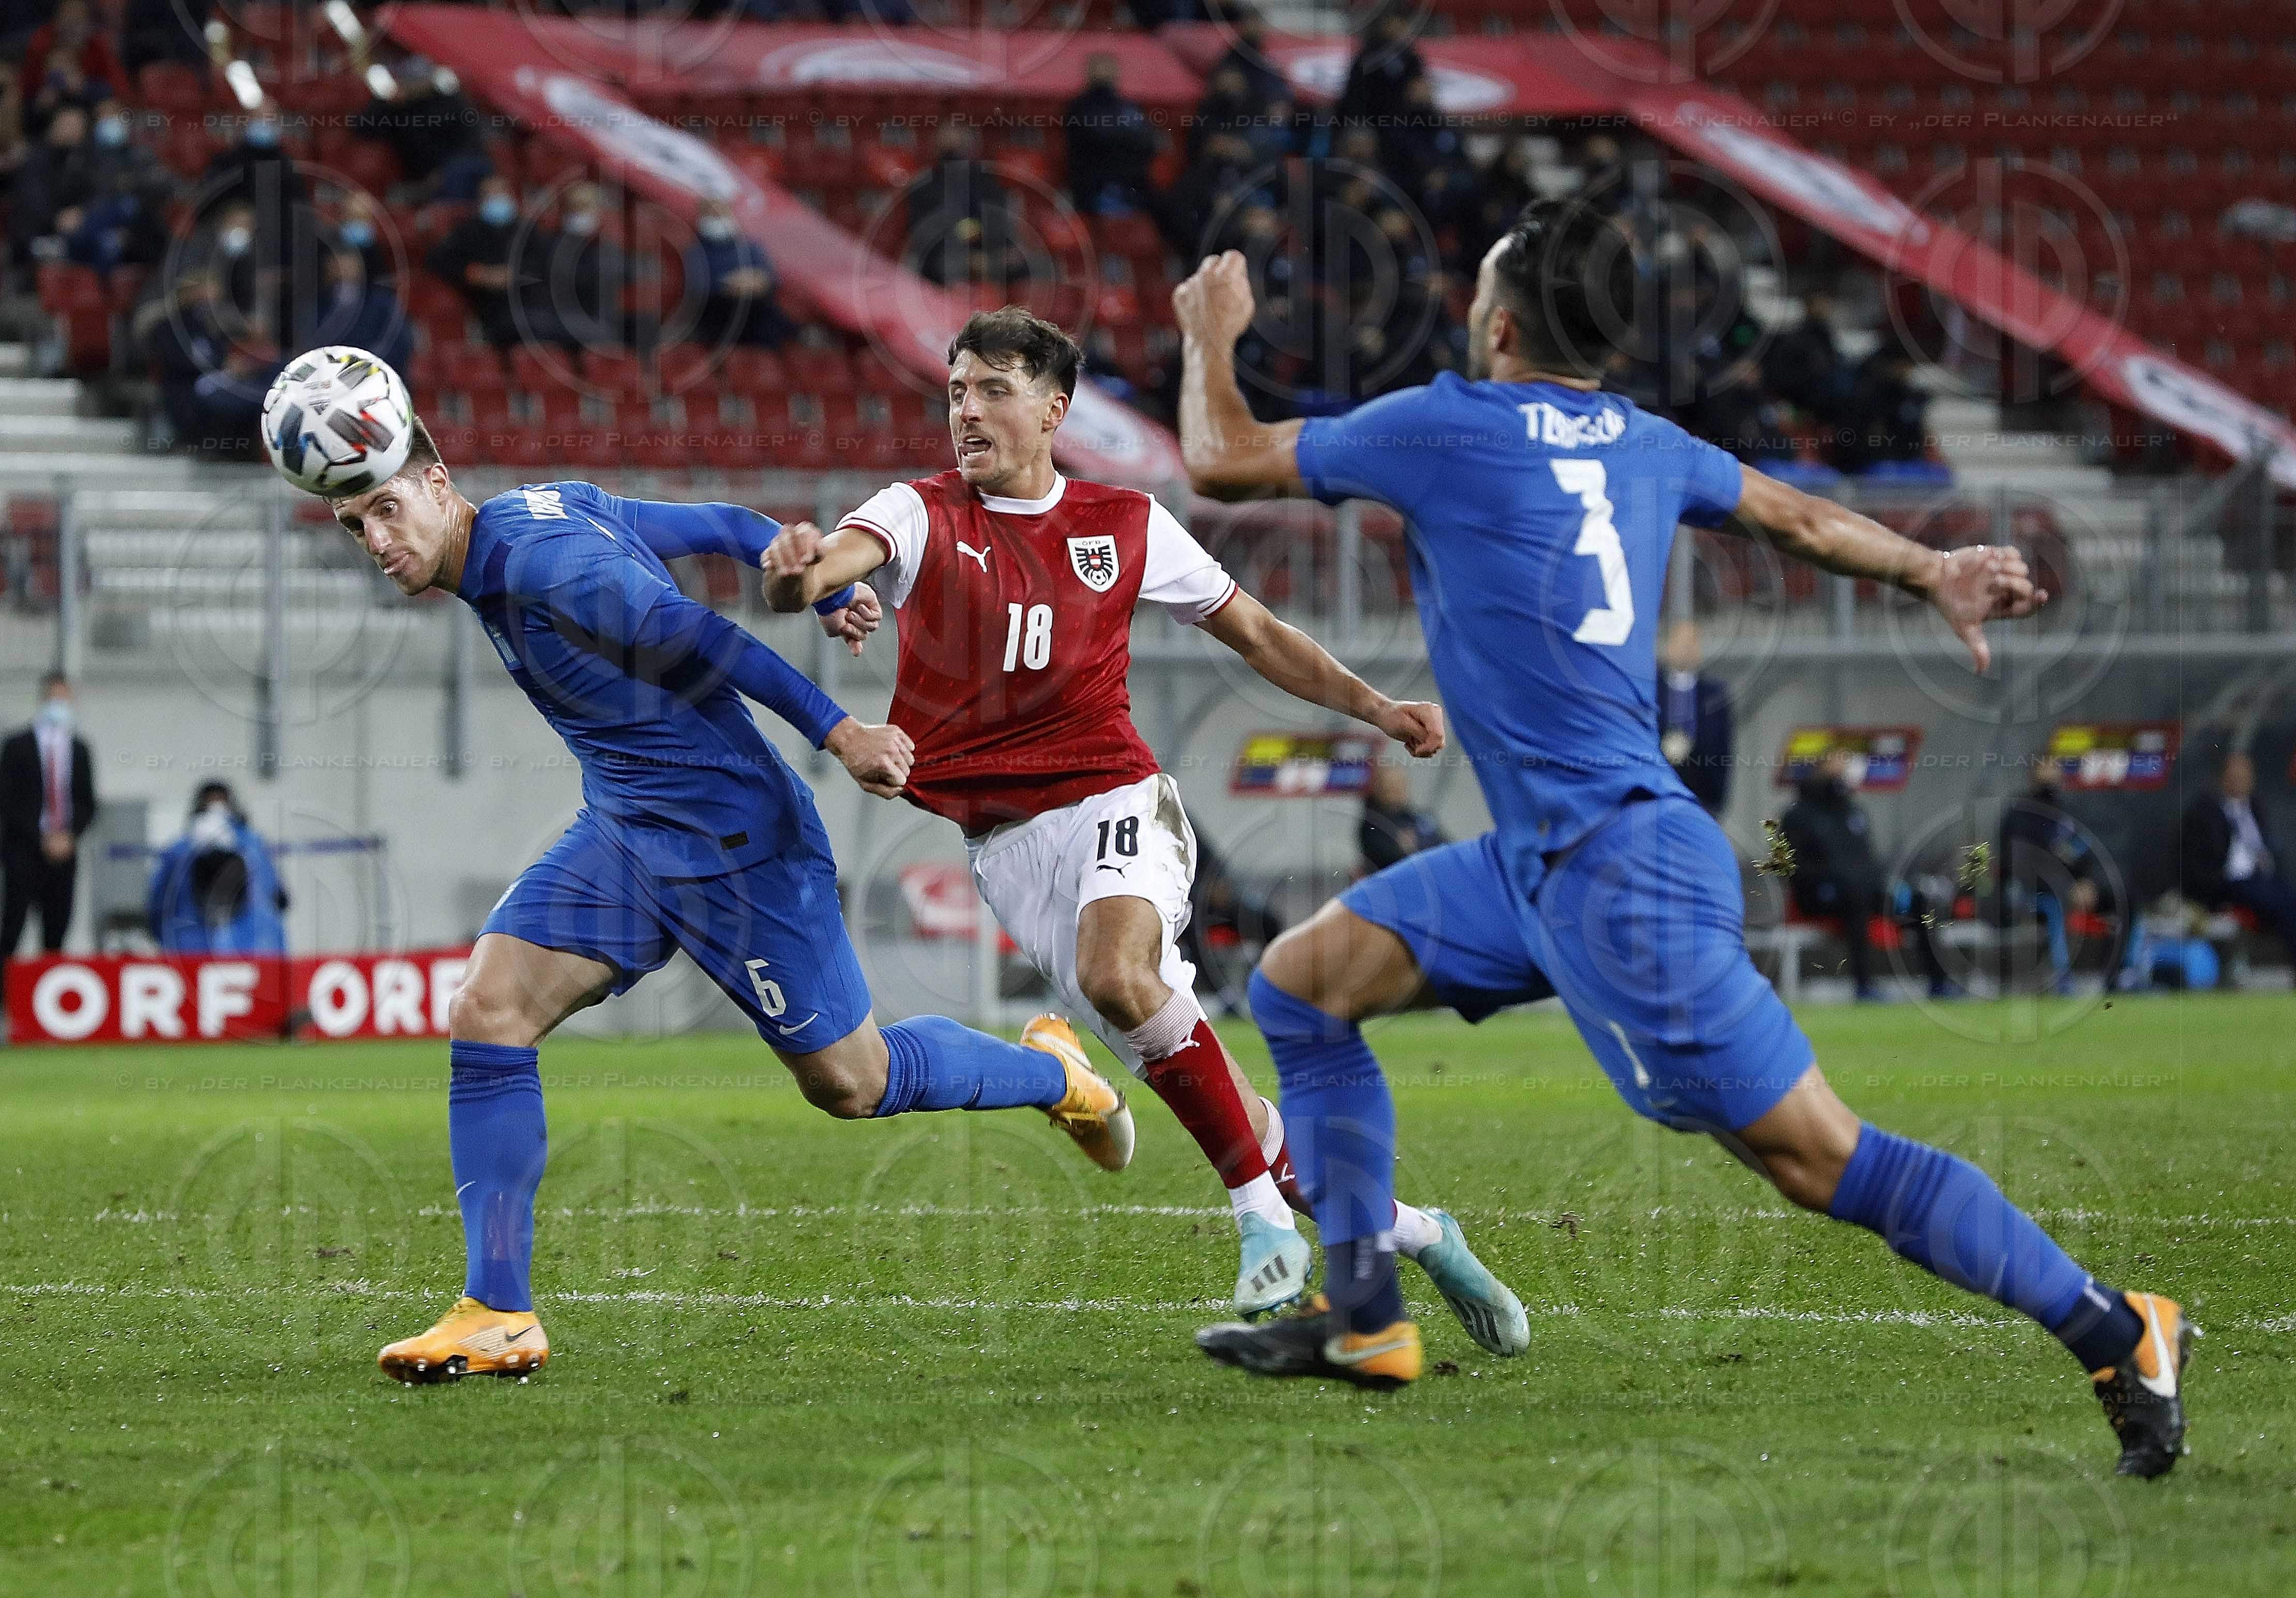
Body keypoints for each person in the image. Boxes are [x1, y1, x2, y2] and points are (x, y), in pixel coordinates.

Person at [1170, 201, 2194, 1483]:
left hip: (1618, 875)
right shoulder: (1644, 440)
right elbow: (1801, 521)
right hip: (1539, 860)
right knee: (1302, 985)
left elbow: (1220, 455)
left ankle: (2115, 1325)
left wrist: (1211, 335)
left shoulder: (1448, 422)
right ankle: (1367, 1313)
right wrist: (1928, 570)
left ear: (1495, 324)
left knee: (1819, 1158)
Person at [758, 307, 1521, 1337]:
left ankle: (1259, 1229)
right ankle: (1422, 1233)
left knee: (1121, 976)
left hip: (1118, 797)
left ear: (1054, 409)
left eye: (993, 390)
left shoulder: (1124, 524)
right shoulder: (920, 511)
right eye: (955, 393)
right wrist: (796, 577)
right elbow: (830, 563)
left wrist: (1377, 709)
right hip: (1010, 851)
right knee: (1238, 1114)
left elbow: (1255, 631)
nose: (967, 413)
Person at [322, 416, 1131, 1382]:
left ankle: (1060, 1078)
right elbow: (714, 520)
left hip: (737, 843)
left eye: (384, 507)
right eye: (352, 523)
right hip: (625, 833)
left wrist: (841, 733)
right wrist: (821, 581)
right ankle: (498, 1311)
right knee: (489, 1008)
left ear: (439, 481)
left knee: (853, 1083)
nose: (375, 540)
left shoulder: (542, 563)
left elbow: (698, 636)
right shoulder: (545, 507)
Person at [1781, 748, 1952, 1001]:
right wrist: (1837, 882)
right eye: (1836, 762)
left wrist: (1886, 885)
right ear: (1819, 768)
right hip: (1818, 897)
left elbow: (1867, 861)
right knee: (1856, 897)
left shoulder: (1853, 812)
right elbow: (1794, 869)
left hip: (1864, 891)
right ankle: (1864, 986)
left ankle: (1940, 984)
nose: (1844, 769)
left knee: (1920, 901)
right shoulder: (1797, 815)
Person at [0, 672, 98, 957]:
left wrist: (68, 836)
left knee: (57, 927)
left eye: (64, 698)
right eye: (54, 697)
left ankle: (47, 990)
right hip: (24, 849)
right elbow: (8, 800)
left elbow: (87, 802)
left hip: (64, 852)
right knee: (13, 926)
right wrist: (40, 836)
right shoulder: (17, 746)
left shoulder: (79, 749)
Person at [2000, 764, 2113, 995]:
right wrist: (2064, 885)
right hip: (2027, 889)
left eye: (2056, 768)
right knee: (2054, 904)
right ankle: (2062, 978)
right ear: (2034, 774)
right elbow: (2017, 861)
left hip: (2069, 887)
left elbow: (2082, 852)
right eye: (2046, 767)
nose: (2052, 774)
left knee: (2127, 898)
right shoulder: (2021, 812)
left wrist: (2085, 881)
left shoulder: (2065, 812)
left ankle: (2125, 973)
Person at [2180, 749, 2296, 967]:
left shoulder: (2255, 807)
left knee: (2287, 898)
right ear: (2223, 778)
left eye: (2244, 776)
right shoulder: (2205, 812)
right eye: (2234, 776)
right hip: (2227, 884)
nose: (2240, 781)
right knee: (2282, 903)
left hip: (2261, 880)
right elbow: (2196, 861)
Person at [426, 176, 570, 350]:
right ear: (481, 201)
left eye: (501, 194)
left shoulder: (527, 230)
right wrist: (477, 274)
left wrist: (516, 275)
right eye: (491, 195)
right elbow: (438, 261)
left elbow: (543, 264)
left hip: (533, 303)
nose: (497, 200)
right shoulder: (468, 232)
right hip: (492, 310)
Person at [147, 782, 286, 954]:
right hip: (204, 949)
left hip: (240, 948)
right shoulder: (253, 846)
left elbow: (157, 907)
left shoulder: (180, 850)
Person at [349, 58, 491, 202]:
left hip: (457, 168)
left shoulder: (450, 101)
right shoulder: (395, 108)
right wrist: (386, 101)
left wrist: (444, 173)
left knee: (468, 171)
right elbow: (361, 129)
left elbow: (471, 140)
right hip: (420, 178)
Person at [683, 199, 795, 349]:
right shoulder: (695, 252)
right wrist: (731, 285)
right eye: (712, 215)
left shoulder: (751, 247)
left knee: (772, 319)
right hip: (718, 314)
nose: (717, 219)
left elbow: (770, 278)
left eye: (721, 213)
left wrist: (757, 283)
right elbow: (698, 287)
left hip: (756, 310)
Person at [1654, 618, 1732, 814]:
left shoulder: (1715, 694)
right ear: (1669, 647)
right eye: (1681, 643)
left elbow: (1724, 747)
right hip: (1657, 792)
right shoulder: (1650, 689)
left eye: (1693, 644)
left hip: (1702, 796)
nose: (1687, 650)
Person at [1358, 760, 1444, 876]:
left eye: (1401, 784)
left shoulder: (1414, 817)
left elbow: (1442, 842)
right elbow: (1389, 856)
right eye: (1392, 786)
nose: (1399, 790)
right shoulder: (1373, 824)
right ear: (1380, 788)